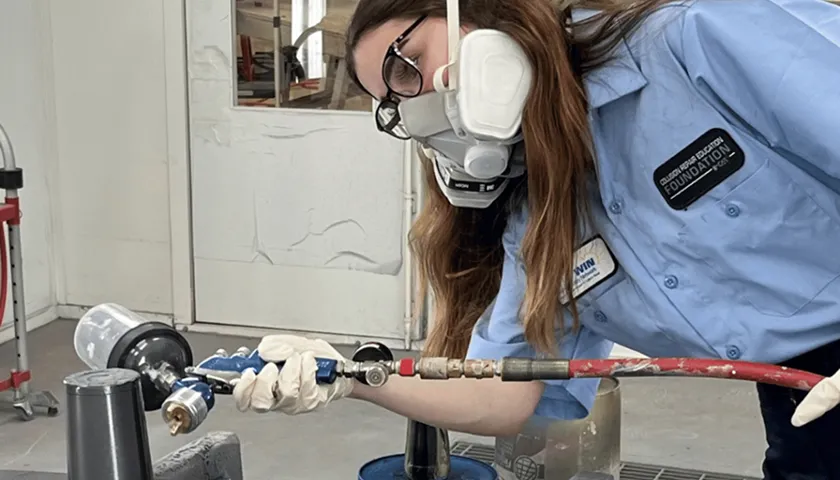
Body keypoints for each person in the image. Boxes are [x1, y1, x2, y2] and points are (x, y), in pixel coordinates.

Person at [230, 0, 840, 478]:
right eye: (392, 103)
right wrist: (353, 375)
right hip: (803, 403)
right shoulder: (541, 217)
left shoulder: (698, 40)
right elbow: (505, 392)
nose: (416, 110)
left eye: (406, 66)